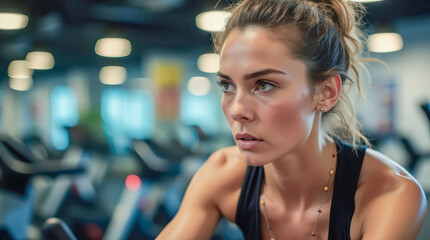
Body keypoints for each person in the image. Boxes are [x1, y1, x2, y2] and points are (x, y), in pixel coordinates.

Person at [156, 0, 427, 239]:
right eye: (227, 86)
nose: (237, 109)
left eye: (263, 85)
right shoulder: (224, 173)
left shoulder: (390, 194)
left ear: (326, 93)